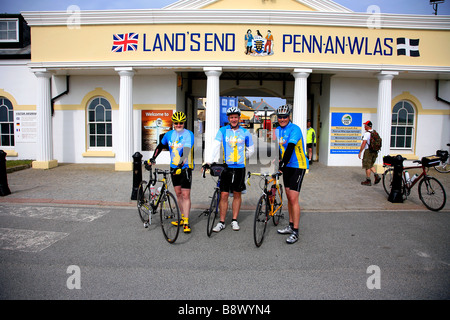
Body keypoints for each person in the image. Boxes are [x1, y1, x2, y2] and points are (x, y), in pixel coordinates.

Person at [203, 106, 254, 232]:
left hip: (240, 168)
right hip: (226, 167)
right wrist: (208, 161)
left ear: (239, 118)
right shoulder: (223, 130)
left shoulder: (245, 132)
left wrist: (243, 158)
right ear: (228, 118)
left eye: (236, 117)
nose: (233, 119)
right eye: (231, 117)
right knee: (224, 194)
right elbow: (215, 146)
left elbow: (251, 149)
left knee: (237, 194)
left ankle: (234, 220)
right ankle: (221, 222)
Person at [149, 111, 194, 233]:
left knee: (185, 195)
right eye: (176, 123)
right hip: (174, 167)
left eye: (181, 123)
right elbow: (159, 146)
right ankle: (182, 216)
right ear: (173, 123)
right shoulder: (168, 135)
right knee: (178, 193)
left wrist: (181, 164)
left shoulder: (189, 134)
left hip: (185, 168)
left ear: (183, 123)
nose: (178, 125)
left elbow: (186, 150)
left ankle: (186, 221)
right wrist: (153, 158)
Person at [275, 105, 308, 244]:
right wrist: (276, 162)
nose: (282, 119)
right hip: (287, 166)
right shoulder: (277, 130)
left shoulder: (295, 129)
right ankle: (290, 225)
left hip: (297, 166)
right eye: (280, 117)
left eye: (285, 117)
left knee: (293, 198)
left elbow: (289, 148)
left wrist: (281, 165)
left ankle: (295, 231)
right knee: (288, 196)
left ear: (289, 117)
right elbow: (277, 148)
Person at [359, 120, 381, 186]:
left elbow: (363, 143)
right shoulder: (375, 132)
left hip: (368, 151)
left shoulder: (367, 134)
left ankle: (368, 180)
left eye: (365, 125)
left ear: (367, 126)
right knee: (371, 164)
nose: (364, 127)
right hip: (374, 151)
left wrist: (360, 152)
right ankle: (376, 175)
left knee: (367, 166)